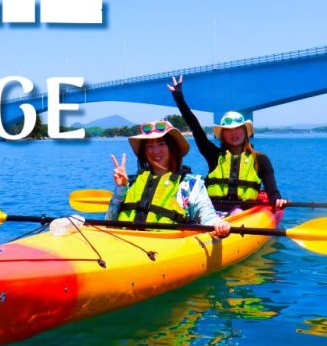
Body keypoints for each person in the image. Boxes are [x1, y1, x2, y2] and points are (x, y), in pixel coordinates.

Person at [167, 75, 287, 212]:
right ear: (222, 134)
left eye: (238, 129)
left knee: (237, 212)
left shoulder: (261, 159)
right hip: (212, 213)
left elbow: (273, 192)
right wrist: (179, 98)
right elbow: (195, 127)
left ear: (245, 131)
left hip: (244, 215)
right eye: (228, 130)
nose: (234, 133)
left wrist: (277, 199)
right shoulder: (213, 155)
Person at [106, 120, 231, 238]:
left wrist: (218, 224)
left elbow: (207, 215)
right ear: (144, 151)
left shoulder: (189, 185)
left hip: (166, 248)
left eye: (161, 144)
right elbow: (109, 222)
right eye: (149, 146)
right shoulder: (132, 182)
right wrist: (120, 188)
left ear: (173, 147)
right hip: (125, 242)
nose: (155, 151)